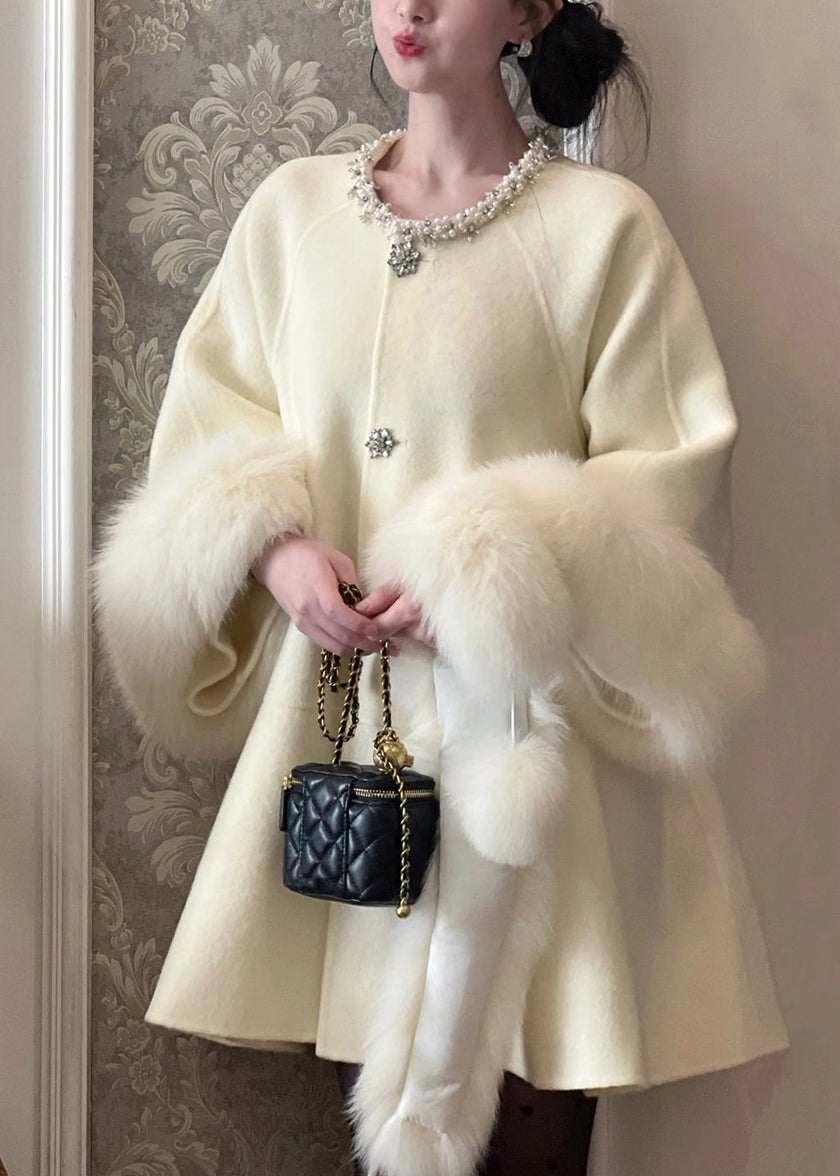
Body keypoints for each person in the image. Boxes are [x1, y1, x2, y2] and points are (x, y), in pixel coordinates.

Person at [90, 1, 791, 1173]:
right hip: (349, 743)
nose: (410, 7)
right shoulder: (292, 216)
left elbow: (672, 483)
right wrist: (273, 548)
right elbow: (211, 431)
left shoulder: (603, 229)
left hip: (537, 761)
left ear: (527, 11)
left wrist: (491, 556)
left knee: (531, 1100)